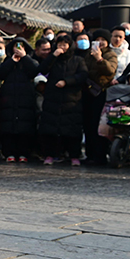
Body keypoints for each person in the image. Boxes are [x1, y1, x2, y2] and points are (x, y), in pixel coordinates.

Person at [36, 33, 87, 166]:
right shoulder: (52, 59)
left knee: (72, 130)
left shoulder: (78, 60)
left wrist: (67, 81)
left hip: (72, 100)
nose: (62, 47)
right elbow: (42, 69)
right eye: (59, 45)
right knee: (50, 129)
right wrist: (53, 56)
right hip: (53, 98)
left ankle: (74, 155)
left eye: (65, 45)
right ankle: (50, 155)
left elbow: (82, 75)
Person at [0, 37, 39, 162]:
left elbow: (35, 71)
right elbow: (0, 73)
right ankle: (9, 152)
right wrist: (12, 61)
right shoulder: (8, 61)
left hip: (25, 99)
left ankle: (24, 153)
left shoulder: (30, 61)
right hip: (8, 99)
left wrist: (24, 57)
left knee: (25, 128)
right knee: (8, 127)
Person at [81, 30, 116, 165]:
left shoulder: (110, 55)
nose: (100, 42)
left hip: (101, 93)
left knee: (98, 125)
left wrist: (100, 59)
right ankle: (89, 155)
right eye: (97, 39)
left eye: (103, 39)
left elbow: (110, 71)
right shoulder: (88, 55)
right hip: (87, 92)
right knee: (87, 124)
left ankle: (100, 156)